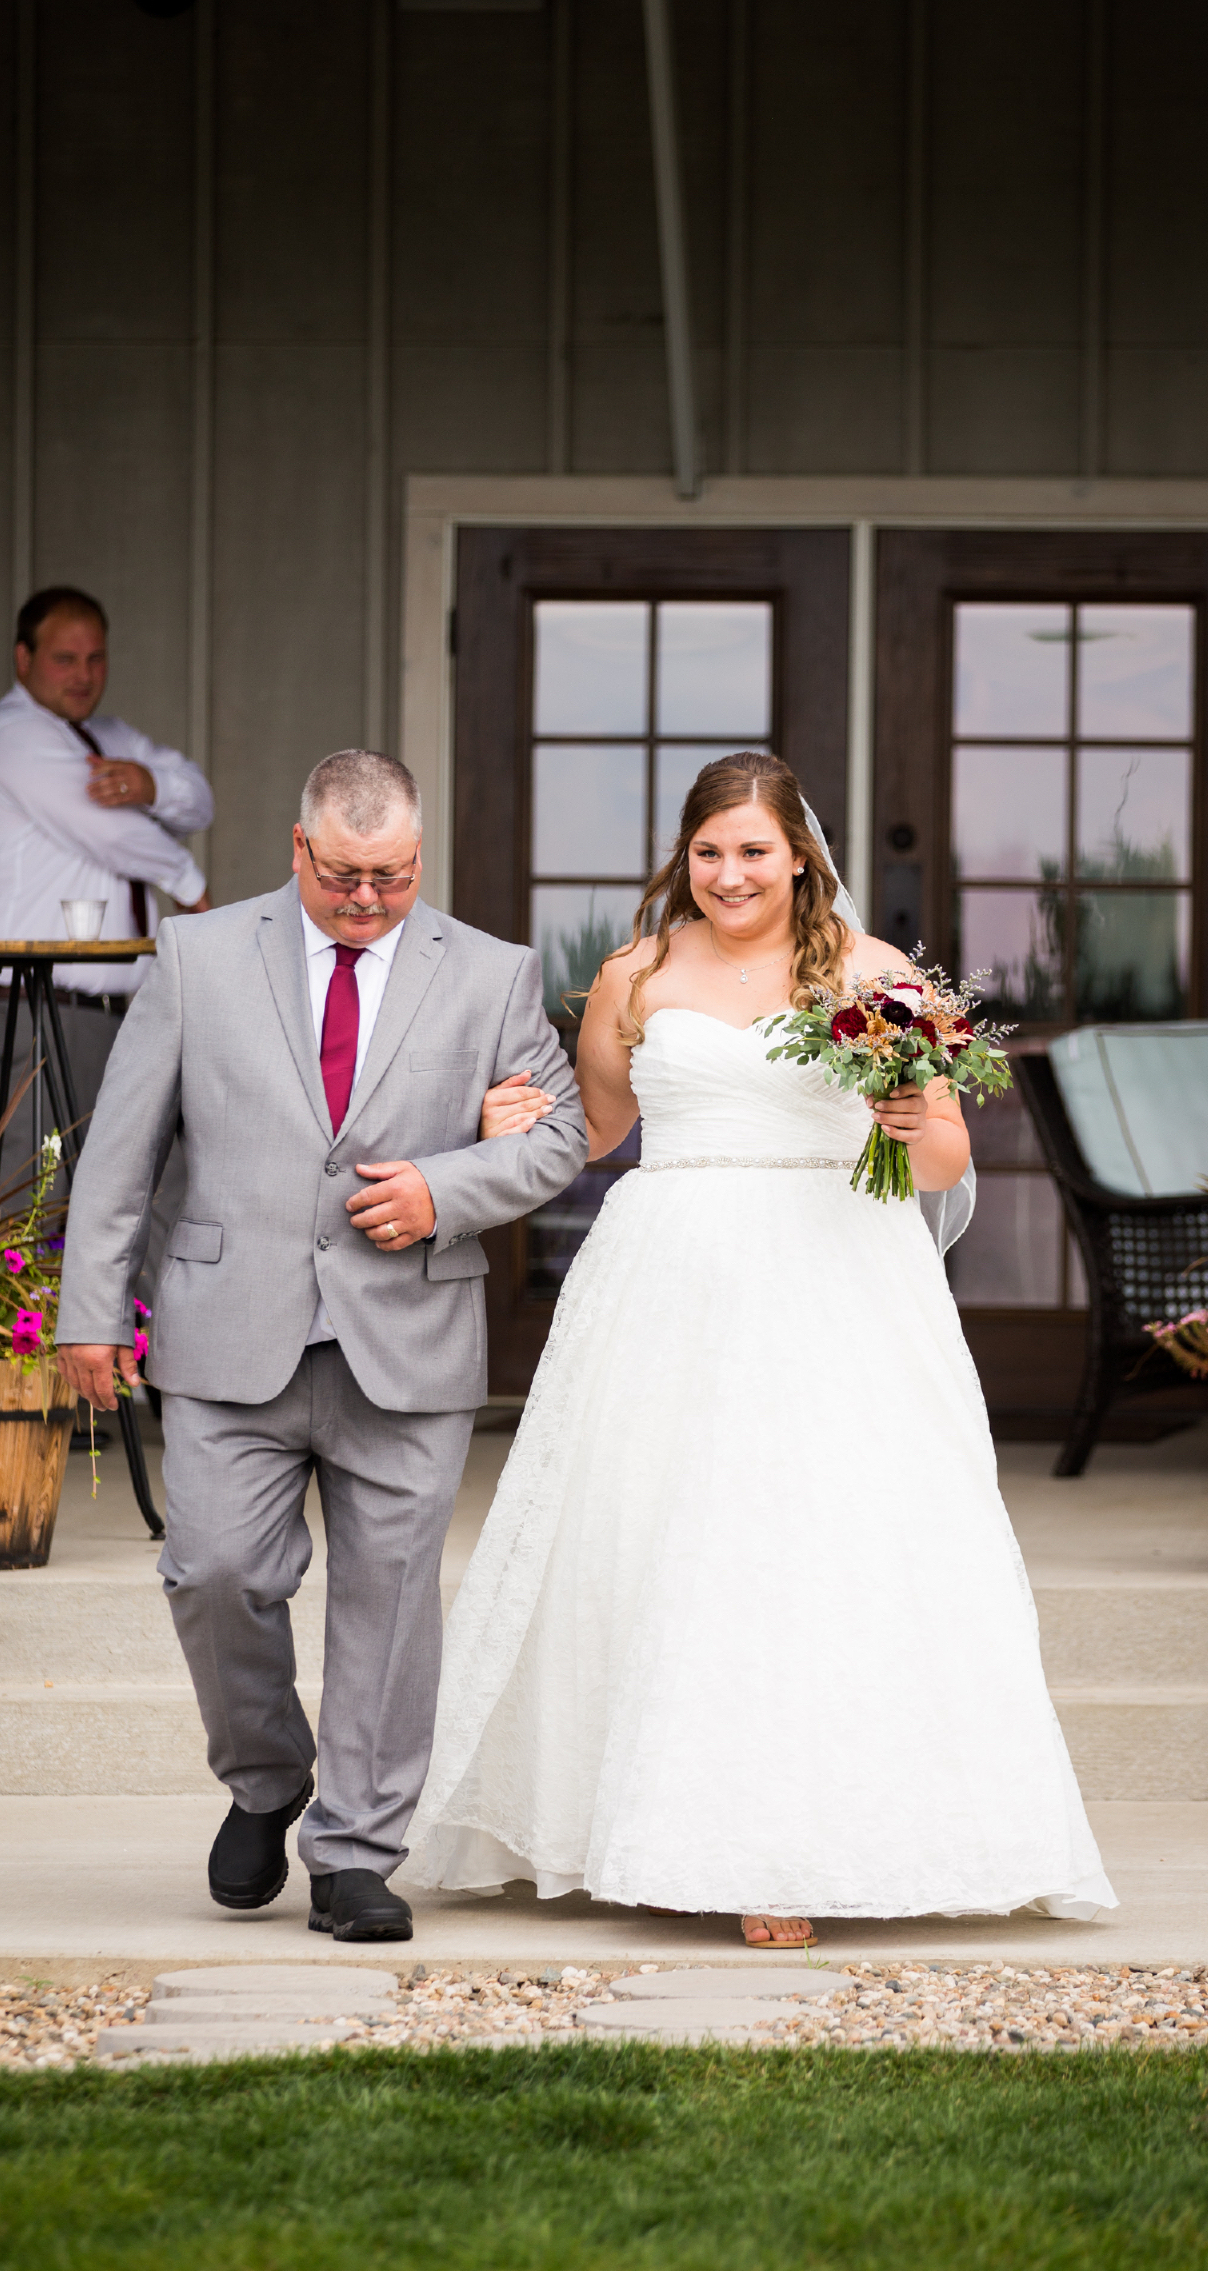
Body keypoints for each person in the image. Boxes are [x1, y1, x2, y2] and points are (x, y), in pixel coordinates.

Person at [405, 750, 1116, 1946]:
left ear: (799, 857)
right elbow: (596, 1133)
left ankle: (798, 1844)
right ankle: (651, 1821)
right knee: (663, 1542)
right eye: (709, 852)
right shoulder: (634, 973)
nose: (731, 874)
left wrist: (905, 1119)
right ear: (683, 858)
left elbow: (945, 1163)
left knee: (816, 1546)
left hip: (835, 1271)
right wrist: (505, 1121)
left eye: (754, 852)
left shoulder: (876, 974)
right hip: (669, 1280)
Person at [54, 749, 588, 1943]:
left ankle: (355, 1854)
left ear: (417, 856)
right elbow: (121, 1150)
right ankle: (265, 1777)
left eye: (392, 877)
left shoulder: (493, 974)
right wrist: (90, 1310)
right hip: (224, 1331)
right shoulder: (196, 958)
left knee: (390, 1603)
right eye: (344, 875)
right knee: (215, 1572)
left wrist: (444, 1190)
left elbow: (558, 1141)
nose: (367, 899)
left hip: (406, 1337)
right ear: (299, 850)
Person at [0, 586, 214, 1186]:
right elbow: (108, 830)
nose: (84, 675)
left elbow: (198, 800)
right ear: (23, 659)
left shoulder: (112, 737)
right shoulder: (12, 734)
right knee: (28, 1194)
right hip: (28, 1009)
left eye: (95, 658)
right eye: (64, 659)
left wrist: (150, 783)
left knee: (129, 1197)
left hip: (107, 1014)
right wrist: (188, 882)